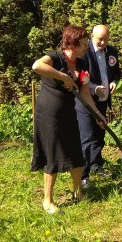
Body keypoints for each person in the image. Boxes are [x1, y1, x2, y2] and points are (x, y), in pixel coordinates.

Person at [31, 25, 106, 214]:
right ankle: (47, 201)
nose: (86, 46)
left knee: (76, 152)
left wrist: (97, 113)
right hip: (49, 114)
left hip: (68, 112)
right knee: (53, 155)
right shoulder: (55, 58)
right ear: (71, 44)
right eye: (82, 43)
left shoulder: (82, 64)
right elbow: (37, 66)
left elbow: (84, 93)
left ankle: (77, 192)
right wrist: (62, 75)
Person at [75, 25, 121, 188]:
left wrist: (115, 82)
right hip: (86, 103)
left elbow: (116, 73)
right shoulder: (84, 53)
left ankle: (96, 165)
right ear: (92, 37)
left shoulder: (112, 52)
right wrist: (94, 88)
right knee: (87, 138)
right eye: (99, 39)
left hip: (102, 102)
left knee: (99, 137)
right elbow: (78, 78)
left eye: (106, 39)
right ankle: (83, 176)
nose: (102, 42)